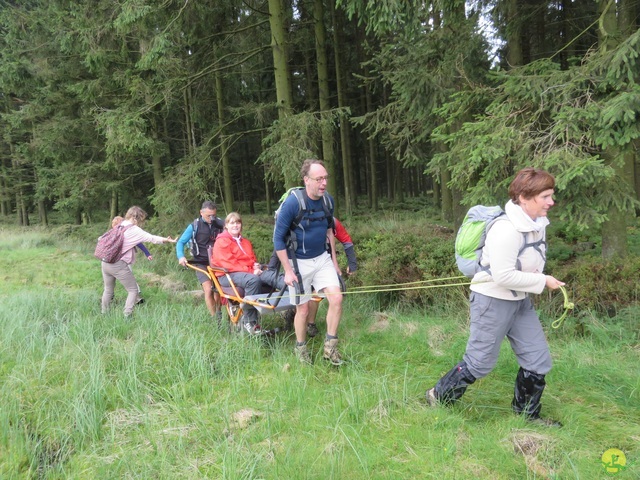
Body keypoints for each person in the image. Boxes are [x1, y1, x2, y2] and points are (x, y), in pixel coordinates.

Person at [425, 167, 564, 427]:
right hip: (492, 301)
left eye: (551, 195)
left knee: (538, 359)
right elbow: (502, 276)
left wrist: (537, 277)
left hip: (520, 301)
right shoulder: (506, 229)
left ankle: (526, 416)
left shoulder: (537, 224)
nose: (551, 202)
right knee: (479, 363)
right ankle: (438, 396)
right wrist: (543, 281)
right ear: (524, 197)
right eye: (545, 196)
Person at [274, 159, 344, 365]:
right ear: (306, 180)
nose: (323, 183)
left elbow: (330, 231)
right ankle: (301, 348)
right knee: (303, 310)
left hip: (322, 258)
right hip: (298, 262)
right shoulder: (293, 203)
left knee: (337, 299)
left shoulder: (327, 201)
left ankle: (330, 349)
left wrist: (335, 261)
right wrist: (287, 271)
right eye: (319, 179)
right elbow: (278, 239)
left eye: (325, 178)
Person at [101, 206, 176, 317]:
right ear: (136, 218)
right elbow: (151, 238)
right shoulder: (133, 229)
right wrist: (168, 240)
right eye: (141, 220)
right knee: (133, 290)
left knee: (108, 290)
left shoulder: (119, 225)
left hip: (105, 262)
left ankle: (104, 313)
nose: (142, 222)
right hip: (118, 264)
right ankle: (127, 315)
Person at [210, 212, 265, 335]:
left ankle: (264, 313)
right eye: (232, 223)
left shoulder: (245, 242)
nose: (235, 225)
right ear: (226, 226)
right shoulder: (222, 241)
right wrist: (251, 271)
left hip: (242, 273)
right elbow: (229, 264)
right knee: (253, 280)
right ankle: (249, 321)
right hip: (226, 275)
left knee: (267, 278)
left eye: (238, 222)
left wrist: (255, 265)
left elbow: (250, 259)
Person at [176, 201, 225, 319]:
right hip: (200, 262)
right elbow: (180, 242)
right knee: (208, 290)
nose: (211, 218)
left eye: (213, 215)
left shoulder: (220, 224)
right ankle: (215, 319)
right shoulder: (194, 226)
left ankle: (219, 312)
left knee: (218, 291)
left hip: (216, 262)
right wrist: (181, 256)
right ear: (201, 213)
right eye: (208, 215)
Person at [112, 215, 152, 304]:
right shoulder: (115, 233)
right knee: (114, 279)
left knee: (127, 276)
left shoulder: (125, 233)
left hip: (123, 260)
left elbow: (138, 242)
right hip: (116, 260)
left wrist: (147, 253)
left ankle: (137, 297)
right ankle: (112, 297)